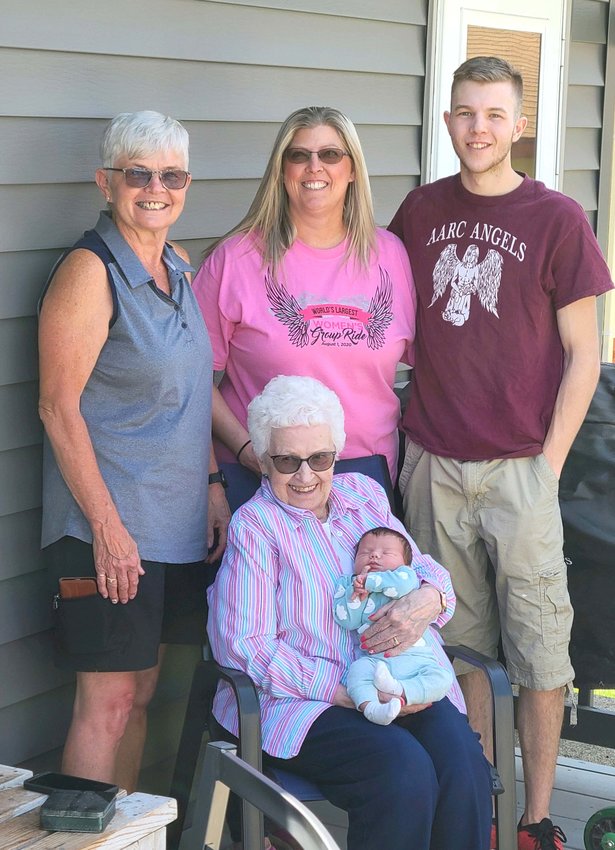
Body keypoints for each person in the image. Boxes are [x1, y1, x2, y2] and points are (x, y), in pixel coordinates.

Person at [389, 56, 614, 850]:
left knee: (539, 649)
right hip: (435, 463)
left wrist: (548, 466)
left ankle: (535, 816)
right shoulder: (417, 213)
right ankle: (481, 805)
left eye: (492, 114)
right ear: (446, 120)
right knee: (460, 650)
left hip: (522, 467)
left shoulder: (556, 219)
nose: (476, 127)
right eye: (463, 112)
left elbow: (583, 354)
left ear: (516, 126)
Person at [208, 375, 492, 850]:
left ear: (335, 454)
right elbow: (245, 647)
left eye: (319, 459)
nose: (305, 476)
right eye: (286, 461)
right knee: (403, 771)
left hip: (399, 681)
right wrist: (341, 692)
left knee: (464, 766)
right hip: (306, 701)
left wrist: (432, 598)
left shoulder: (363, 495)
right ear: (262, 458)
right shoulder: (256, 527)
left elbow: (425, 570)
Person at [38, 110, 230, 791]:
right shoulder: (91, 272)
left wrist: (212, 482)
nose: (157, 188)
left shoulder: (177, 265)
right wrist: (106, 529)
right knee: (108, 706)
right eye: (138, 174)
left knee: (142, 700)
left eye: (171, 175)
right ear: (106, 180)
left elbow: (188, 391)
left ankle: (125, 837)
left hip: (172, 530)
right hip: (108, 531)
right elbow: (57, 408)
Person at [193, 106, 415, 483]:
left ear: (353, 170)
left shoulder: (391, 255)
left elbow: (431, 364)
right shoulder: (234, 259)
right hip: (264, 475)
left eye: (330, 154)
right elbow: (190, 376)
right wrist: (247, 449)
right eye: (299, 155)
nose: (315, 167)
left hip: (364, 475)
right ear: (282, 171)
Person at [333, 527, 453, 725]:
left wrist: (370, 582)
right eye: (364, 552)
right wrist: (355, 595)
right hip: (375, 661)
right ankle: (372, 708)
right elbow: (347, 620)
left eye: (386, 553)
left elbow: (402, 586)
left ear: (405, 562)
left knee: (442, 679)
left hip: (417, 660)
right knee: (357, 672)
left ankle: (401, 691)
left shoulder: (405, 575)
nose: (374, 555)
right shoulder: (348, 583)